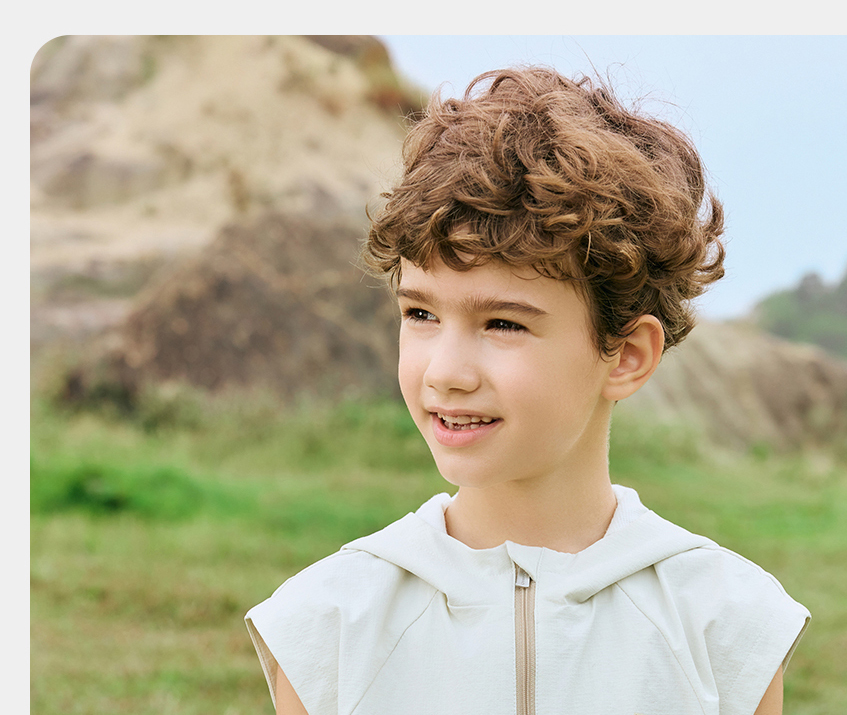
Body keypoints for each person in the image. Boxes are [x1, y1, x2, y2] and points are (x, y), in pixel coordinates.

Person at [245, 65, 810, 715]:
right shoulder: (328, 626)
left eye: (503, 323)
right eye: (421, 313)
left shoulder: (728, 626)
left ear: (626, 356)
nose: (446, 372)